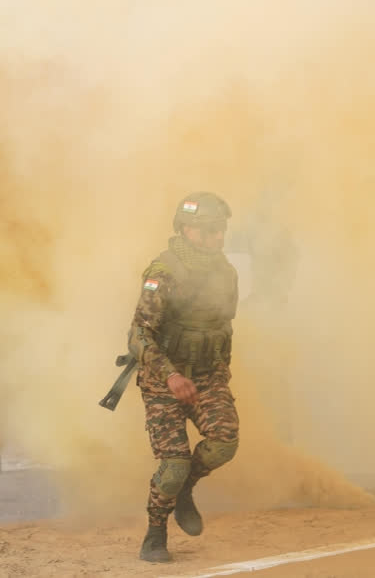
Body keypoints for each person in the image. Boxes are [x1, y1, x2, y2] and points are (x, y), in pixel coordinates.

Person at [127, 192, 240, 562]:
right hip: (164, 381)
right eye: (208, 231)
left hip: (207, 377)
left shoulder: (226, 273)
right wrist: (172, 377)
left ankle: (186, 489)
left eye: (220, 230)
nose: (216, 238)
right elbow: (140, 335)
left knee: (224, 442)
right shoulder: (163, 274)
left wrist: (218, 378)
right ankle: (155, 532)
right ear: (187, 230)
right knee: (173, 465)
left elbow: (222, 328)